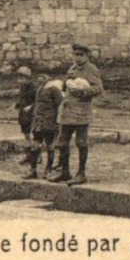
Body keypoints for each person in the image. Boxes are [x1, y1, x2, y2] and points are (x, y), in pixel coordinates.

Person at [51, 44, 103, 185]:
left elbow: (98, 88)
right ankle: (65, 172)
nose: (78, 58)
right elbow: (66, 86)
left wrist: (83, 92)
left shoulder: (91, 69)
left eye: (81, 55)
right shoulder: (72, 68)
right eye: (75, 55)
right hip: (68, 112)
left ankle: (81, 174)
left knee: (81, 143)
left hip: (81, 112)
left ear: (87, 56)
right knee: (61, 143)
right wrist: (65, 82)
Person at [29, 73, 64, 180]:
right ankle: (33, 171)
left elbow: (61, 105)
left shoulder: (54, 89)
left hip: (50, 122)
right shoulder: (39, 89)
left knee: (50, 146)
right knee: (34, 145)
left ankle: (48, 170)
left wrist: (58, 121)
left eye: (42, 77)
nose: (39, 79)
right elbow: (38, 104)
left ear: (48, 78)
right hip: (38, 122)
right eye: (38, 77)